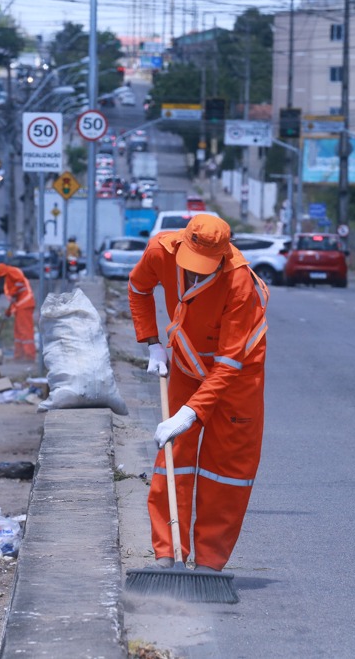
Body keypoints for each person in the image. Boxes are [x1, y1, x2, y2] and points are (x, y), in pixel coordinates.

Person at [127, 214, 269, 572]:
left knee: (227, 470)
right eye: (192, 265)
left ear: (223, 256)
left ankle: (209, 563)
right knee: (174, 459)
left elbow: (227, 364)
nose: (197, 273)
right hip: (188, 368)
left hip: (237, 377)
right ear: (182, 245)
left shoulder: (239, 281)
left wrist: (189, 414)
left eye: (206, 268)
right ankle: (168, 554)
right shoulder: (160, 250)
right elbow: (139, 288)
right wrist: (152, 342)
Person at [0, 262, 36, 361]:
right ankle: (19, 355)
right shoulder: (8, 280)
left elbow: (19, 282)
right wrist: (8, 312)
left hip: (25, 305)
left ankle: (29, 356)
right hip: (19, 307)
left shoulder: (13, 272)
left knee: (25, 331)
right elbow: (13, 299)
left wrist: (13, 293)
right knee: (18, 332)